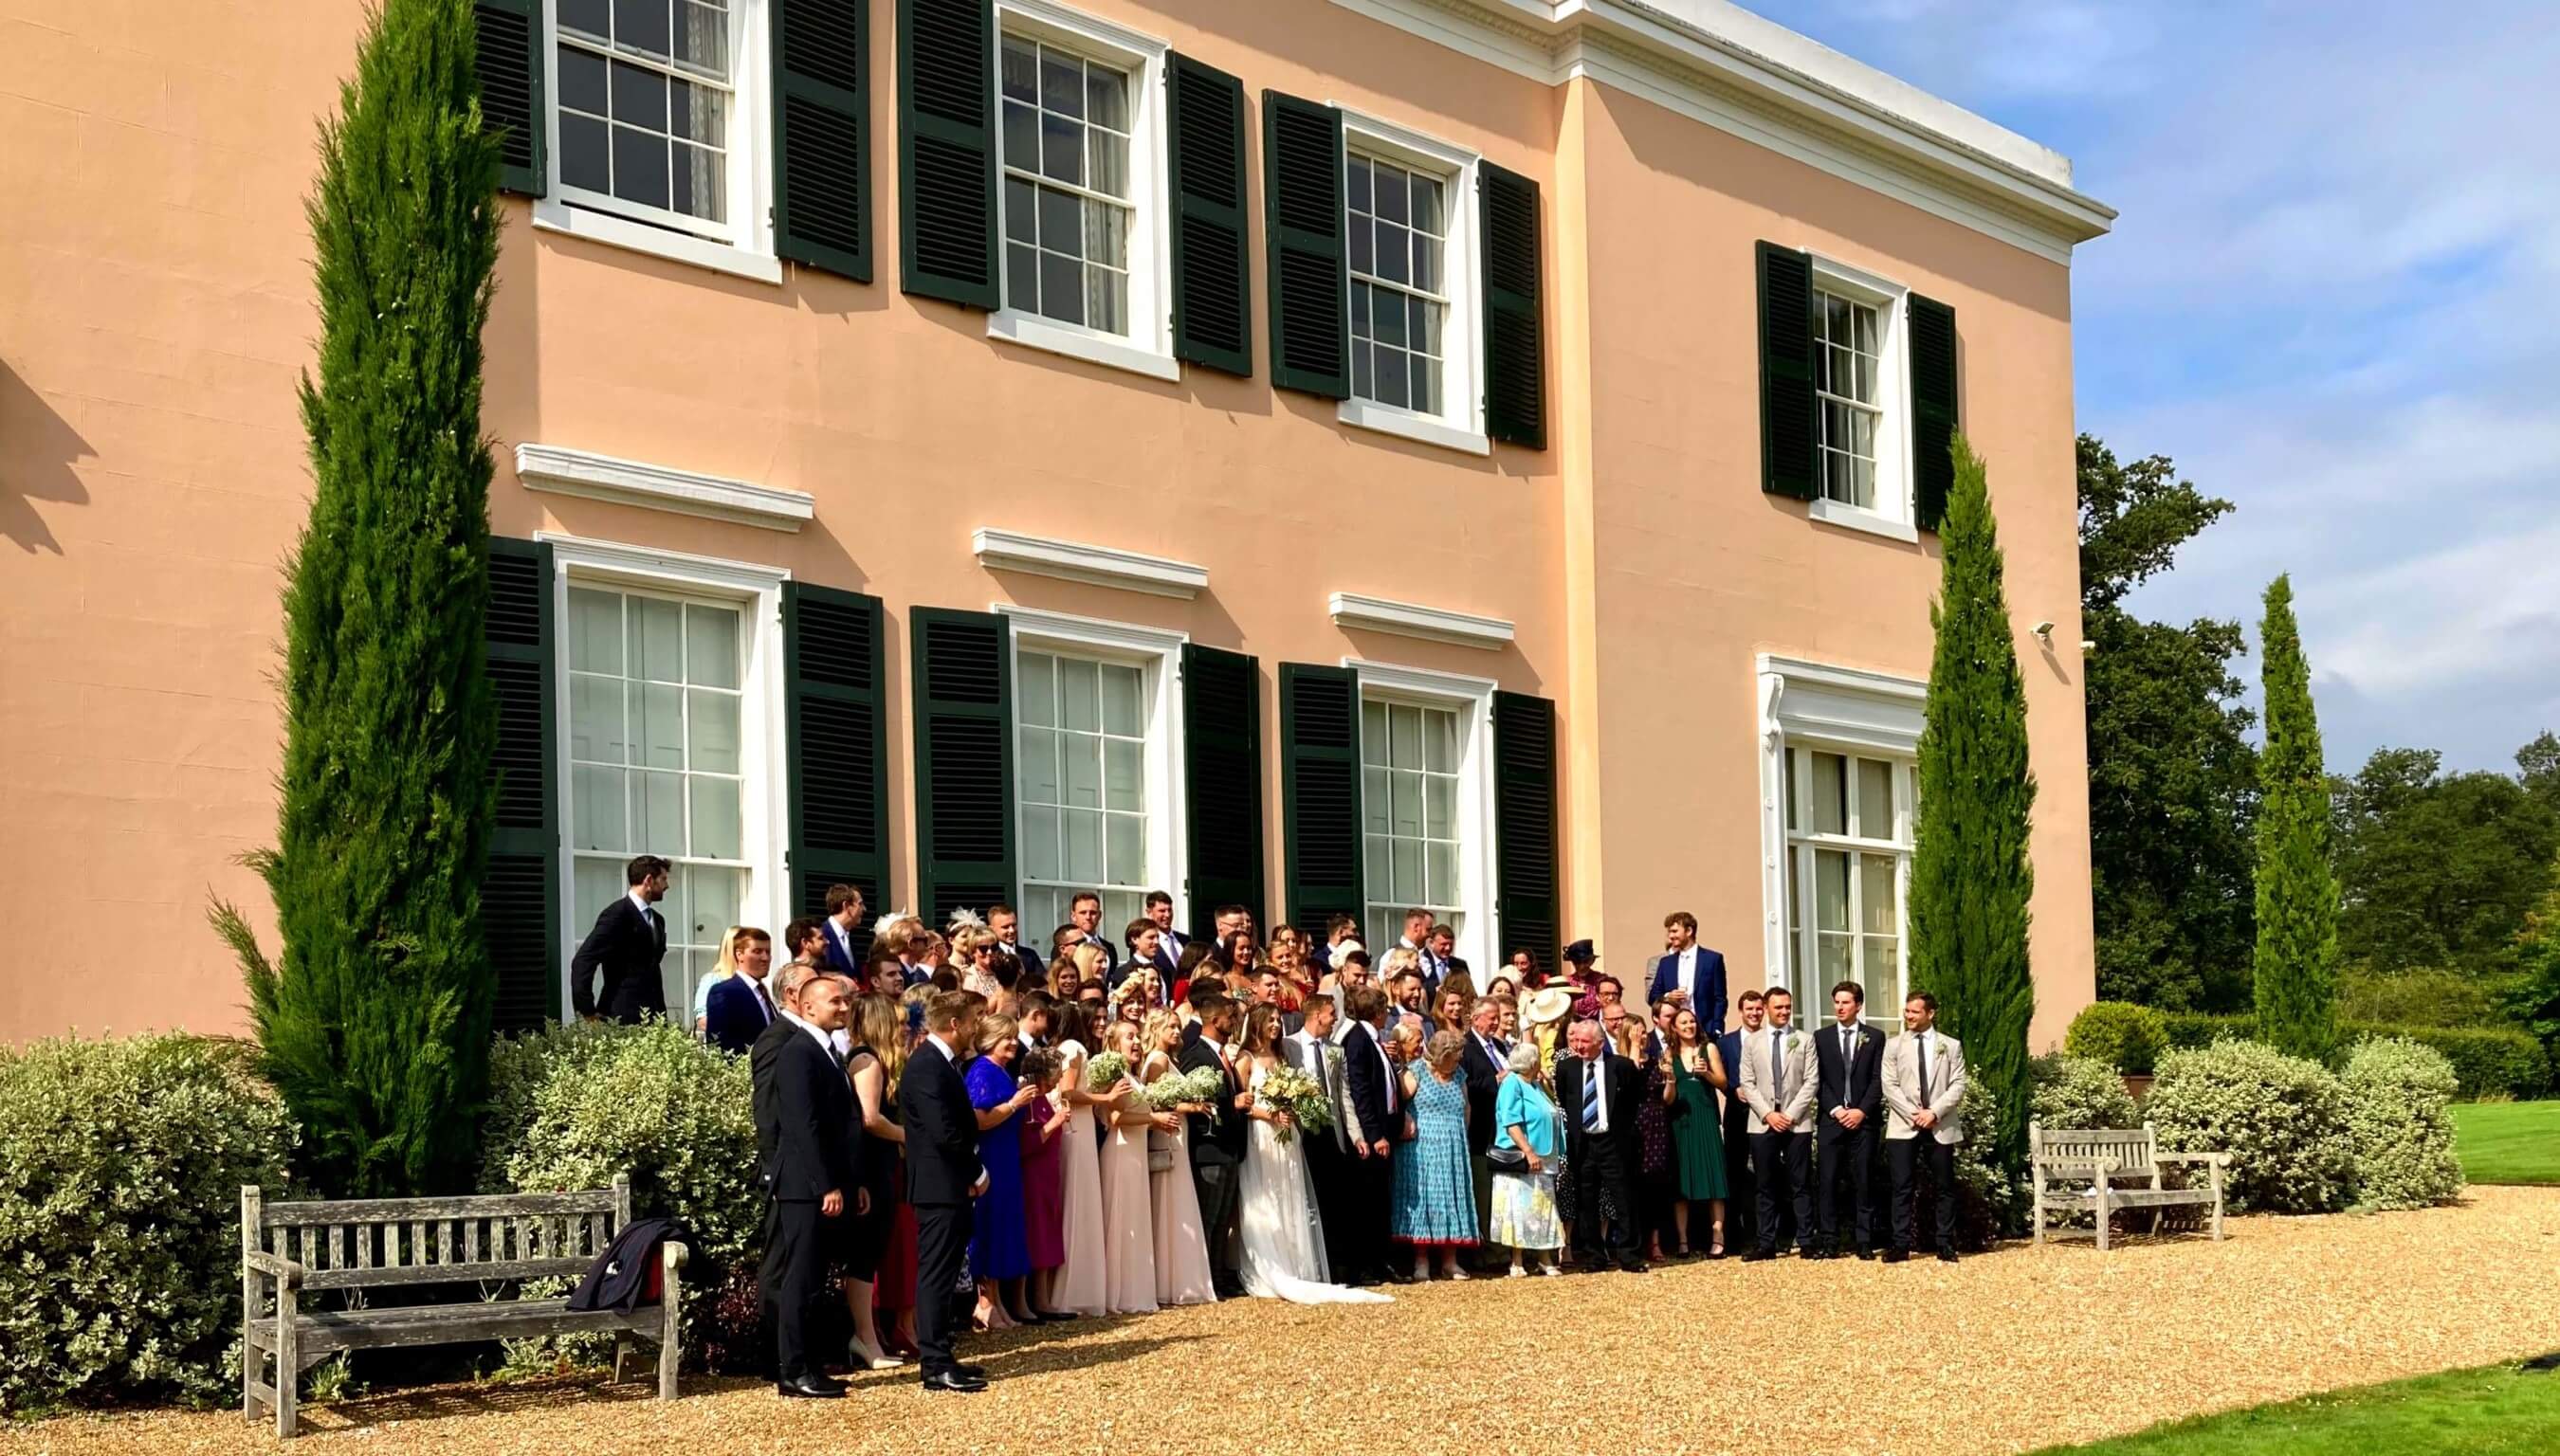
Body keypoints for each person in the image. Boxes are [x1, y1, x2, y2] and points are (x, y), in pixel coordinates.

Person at [1232, 1003, 1393, 1305]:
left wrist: (1299, 1110)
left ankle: (1293, 1261)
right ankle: (1267, 1263)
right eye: (1271, 1021)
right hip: (1262, 1138)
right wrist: (1269, 1115)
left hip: (1289, 1136)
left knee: (1290, 1197)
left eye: (1279, 1020)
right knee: (1266, 1197)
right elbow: (1240, 1104)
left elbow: (1300, 1095)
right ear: (1257, 1024)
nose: (1277, 1025)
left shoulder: (1283, 1056)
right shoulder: (1246, 1059)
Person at [751, 966, 862, 1398]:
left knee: (813, 1277)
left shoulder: (826, 1049)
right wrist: (824, 1186)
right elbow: (801, 1125)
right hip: (803, 1185)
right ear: (807, 1005)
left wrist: (851, 1182)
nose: (843, 1006)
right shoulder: (798, 1051)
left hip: (820, 1182)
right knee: (799, 1277)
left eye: (844, 1000)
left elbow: (840, 1123)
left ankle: (808, 1363)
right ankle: (793, 1370)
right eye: (834, 1001)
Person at [899, 991, 991, 1392]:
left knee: (947, 1271)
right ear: (955, 1024)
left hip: (950, 1183)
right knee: (936, 1274)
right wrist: (977, 1170)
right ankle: (934, 1363)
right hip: (938, 1185)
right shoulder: (925, 1066)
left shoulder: (942, 1063)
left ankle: (942, 1353)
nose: (977, 1028)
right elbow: (943, 1132)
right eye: (973, 1020)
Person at [840, 993, 906, 1370]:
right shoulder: (868, 1061)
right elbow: (870, 1118)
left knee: (871, 1252)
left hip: (874, 1166)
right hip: (869, 1167)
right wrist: (904, 1135)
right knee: (865, 1255)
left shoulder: (868, 1059)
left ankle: (869, 1335)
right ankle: (864, 1337)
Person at [964, 1013, 1041, 1328]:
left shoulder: (1002, 1071)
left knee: (1002, 1228)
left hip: (1008, 1158)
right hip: (991, 1158)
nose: (1012, 1042)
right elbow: (978, 1119)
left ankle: (998, 1303)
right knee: (988, 1226)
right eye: (1005, 1037)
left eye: (1013, 1036)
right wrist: (1014, 1104)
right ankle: (985, 1304)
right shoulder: (982, 1071)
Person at [1882, 991, 1967, 1264]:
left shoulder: (1950, 1046)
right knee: (1902, 1186)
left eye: (1914, 1012)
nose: (1908, 1016)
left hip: (1940, 1125)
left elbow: (1958, 1084)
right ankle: (1900, 1245)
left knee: (1944, 1186)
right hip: (1903, 1125)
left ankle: (1944, 1243)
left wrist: (1934, 1112)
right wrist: (1913, 1114)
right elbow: (1889, 1085)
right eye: (1907, 1011)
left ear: (1930, 1013)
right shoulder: (1893, 1045)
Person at [1552, 1018, 1643, 1273]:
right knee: (1586, 1200)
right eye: (1576, 1041)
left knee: (1623, 1199)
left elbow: (1635, 1099)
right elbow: (1565, 1098)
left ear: (1600, 1043)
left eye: (1585, 1042)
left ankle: (1629, 1255)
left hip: (1612, 1142)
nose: (1579, 1046)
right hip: (1583, 1143)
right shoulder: (1567, 1068)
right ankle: (1594, 1256)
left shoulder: (1621, 1067)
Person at [1141, 1008, 1217, 1306]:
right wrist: (1193, 1106)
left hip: (1179, 1133)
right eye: (1170, 1027)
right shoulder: (1158, 1061)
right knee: (1170, 1201)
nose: (1176, 1032)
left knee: (1179, 1200)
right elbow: (1155, 1100)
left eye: (1177, 1026)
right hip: (1168, 1133)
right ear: (1157, 1029)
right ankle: (1171, 1280)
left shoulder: (1169, 1059)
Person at [1177, 994, 1251, 1300]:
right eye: (1230, 1018)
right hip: (1209, 1147)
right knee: (1209, 1216)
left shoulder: (1222, 1055)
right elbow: (1197, 1100)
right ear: (1214, 1020)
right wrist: (1230, 1103)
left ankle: (1219, 1277)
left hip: (1229, 1147)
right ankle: (1205, 1277)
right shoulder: (1196, 1055)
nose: (1233, 1023)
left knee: (1222, 1219)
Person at [1392, 1030, 1482, 1281]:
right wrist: (1405, 1122)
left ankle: (1449, 1262)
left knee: (1451, 1199)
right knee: (1426, 1201)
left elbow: (1466, 1106)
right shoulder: (1416, 1071)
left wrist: (1462, 1134)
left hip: (1453, 1146)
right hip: (1422, 1148)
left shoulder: (1459, 1075)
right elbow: (1398, 1100)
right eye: (1454, 1057)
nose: (1458, 1061)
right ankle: (1421, 1262)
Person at [1739, 988, 1818, 1262]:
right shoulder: (1752, 1042)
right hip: (1763, 1123)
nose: (1784, 1012)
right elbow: (1747, 1082)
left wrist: (1791, 1114)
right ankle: (1766, 1243)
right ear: (1767, 1008)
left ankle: (1806, 1240)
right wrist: (1768, 1114)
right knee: (1765, 1184)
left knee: (1801, 1183)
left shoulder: (1804, 1040)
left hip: (1797, 1123)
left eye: (1787, 1007)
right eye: (1778, 1007)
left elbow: (1812, 1081)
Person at [1046, 1003, 1111, 1318]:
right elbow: (1068, 1091)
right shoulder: (1073, 1047)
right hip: (1077, 1126)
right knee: (1077, 1201)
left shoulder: (1058, 1048)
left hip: (1074, 1125)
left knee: (1074, 1200)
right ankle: (1075, 1288)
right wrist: (1105, 1098)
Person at [1282, 992, 1354, 1271]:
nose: (1335, 1019)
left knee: (1333, 1200)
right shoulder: (1290, 1046)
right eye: (1331, 1014)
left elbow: (1343, 1095)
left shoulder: (1335, 1049)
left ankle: (1335, 1265)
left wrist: (1355, 1135)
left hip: (1330, 1131)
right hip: (1303, 1132)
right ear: (1316, 1016)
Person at [1813, 980, 1885, 1260]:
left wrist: (1861, 1111)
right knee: (1828, 1180)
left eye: (1845, 1002)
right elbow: (1816, 1079)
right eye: (1836, 1002)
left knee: (1864, 1180)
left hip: (1863, 1121)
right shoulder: (1821, 1037)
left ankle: (1864, 1240)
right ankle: (1830, 1239)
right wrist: (1835, 1109)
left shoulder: (1875, 1037)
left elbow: (1879, 1079)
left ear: (1858, 1005)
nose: (1839, 1007)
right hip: (1832, 1121)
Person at [1337, 985, 1402, 1284]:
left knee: (1380, 1199)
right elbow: (1360, 1090)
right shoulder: (1358, 1040)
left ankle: (1380, 1261)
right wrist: (1374, 1134)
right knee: (1367, 1201)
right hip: (1371, 1133)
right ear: (1377, 1011)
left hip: (1386, 1126)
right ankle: (1364, 1264)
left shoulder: (1373, 1039)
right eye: (1385, 1008)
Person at [1095, 1021, 1160, 1315]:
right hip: (1121, 1151)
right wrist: (1154, 1120)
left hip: (1134, 1151)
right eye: (1128, 1037)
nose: (1136, 1042)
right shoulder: (1118, 1077)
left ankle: (1134, 1288)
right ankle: (1118, 1293)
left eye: (1137, 1036)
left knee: (1134, 1219)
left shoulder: (1130, 1075)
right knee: (1122, 1220)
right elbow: (1116, 1118)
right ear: (1114, 1044)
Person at [1490, 1041, 1563, 1276]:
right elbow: (1511, 1121)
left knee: (1543, 1208)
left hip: (1544, 1155)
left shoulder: (1534, 1084)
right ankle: (1517, 1260)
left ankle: (1544, 1256)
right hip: (1523, 1157)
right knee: (1519, 1208)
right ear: (1533, 1062)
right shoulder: (1512, 1083)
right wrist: (1528, 1151)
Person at [572, 854, 670, 1023]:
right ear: (648, 880)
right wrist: (587, 1011)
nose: (667, 885)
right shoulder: (617, 915)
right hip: (620, 1016)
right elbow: (583, 960)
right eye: (662, 879)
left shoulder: (658, 920)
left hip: (655, 1018)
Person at [1666, 1006, 1729, 1257]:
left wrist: (1707, 1073)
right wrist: (1669, 1079)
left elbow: (1723, 1083)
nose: (1689, 1026)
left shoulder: (1709, 1048)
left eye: (1692, 1021)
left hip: (1705, 1116)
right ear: (1674, 1028)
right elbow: (1668, 1098)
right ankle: (1683, 1240)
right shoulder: (1669, 1053)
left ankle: (1718, 1235)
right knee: (1683, 1179)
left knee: (1714, 1177)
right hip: (1681, 1119)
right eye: (1683, 1023)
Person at [1615, 1010, 1677, 1262]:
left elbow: (1667, 1099)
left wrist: (1671, 1080)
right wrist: (1632, 1049)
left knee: (1655, 1186)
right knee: (1632, 1186)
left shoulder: (1656, 1062)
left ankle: (1654, 1242)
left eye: (1643, 1032)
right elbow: (1628, 1088)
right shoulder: (1618, 1063)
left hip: (1656, 1124)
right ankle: (1632, 1243)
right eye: (1637, 1032)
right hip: (1631, 1124)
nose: (1642, 1037)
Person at [1457, 996, 1510, 1266]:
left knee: (1500, 1194)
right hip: (1480, 1130)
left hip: (1503, 1131)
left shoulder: (1499, 1046)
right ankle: (1486, 1252)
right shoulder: (1466, 1048)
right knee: (1484, 1193)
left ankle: (1502, 1249)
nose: (1496, 1021)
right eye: (1491, 1016)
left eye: (1497, 1016)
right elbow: (1465, 1087)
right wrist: (1495, 1080)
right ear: (1475, 1018)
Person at [1017, 1046, 1070, 1313]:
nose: (1059, 1080)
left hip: (1048, 1174)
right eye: (1056, 1075)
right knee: (1035, 1235)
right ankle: (1029, 1301)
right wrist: (1056, 1121)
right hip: (1033, 1176)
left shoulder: (1042, 1099)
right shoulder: (1029, 1102)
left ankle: (1042, 1298)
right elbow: (1028, 1143)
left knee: (1047, 1233)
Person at [1716, 989, 1764, 1253]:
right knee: (1735, 1174)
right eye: (1749, 1009)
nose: (1754, 1014)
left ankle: (1761, 1234)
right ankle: (1735, 1237)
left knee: (1762, 1176)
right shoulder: (1727, 1043)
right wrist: (1733, 1089)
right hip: (1737, 1113)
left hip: (1766, 1116)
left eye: (1758, 1009)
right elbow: (1720, 1076)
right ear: (1741, 1011)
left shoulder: (1771, 1039)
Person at [1646, 911, 1728, 1037]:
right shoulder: (1666, 963)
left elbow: (1720, 998)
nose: (1670, 936)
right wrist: (1668, 996)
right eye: (1669, 932)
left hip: (1705, 1030)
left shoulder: (1712, 959)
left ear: (1689, 931)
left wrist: (1716, 1027)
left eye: (1674, 931)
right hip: (1674, 1032)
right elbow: (1653, 997)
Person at [703, 926, 778, 1055]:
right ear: (739, 954)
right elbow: (719, 1046)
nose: (765, 958)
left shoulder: (762, 992)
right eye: (757, 951)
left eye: (768, 952)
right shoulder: (724, 992)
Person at [1132, 890, 1186, 984]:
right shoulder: (1144, 944)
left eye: (1169, 910)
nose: (1167, 915)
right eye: (1162, 911)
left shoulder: (1185, 940)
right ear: (1149, 912)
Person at [1068, 893, 1120, 981]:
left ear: (1099, 915)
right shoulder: (1067, 947)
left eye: (1093, 913)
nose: (1088, 917)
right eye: (1083, 913)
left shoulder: (1109, 948)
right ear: (1073, 916)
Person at [821, 883, 868, 975]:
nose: (864, 909)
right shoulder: (822, 935)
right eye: (860, 904)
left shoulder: (850, 938)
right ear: (846, 906)